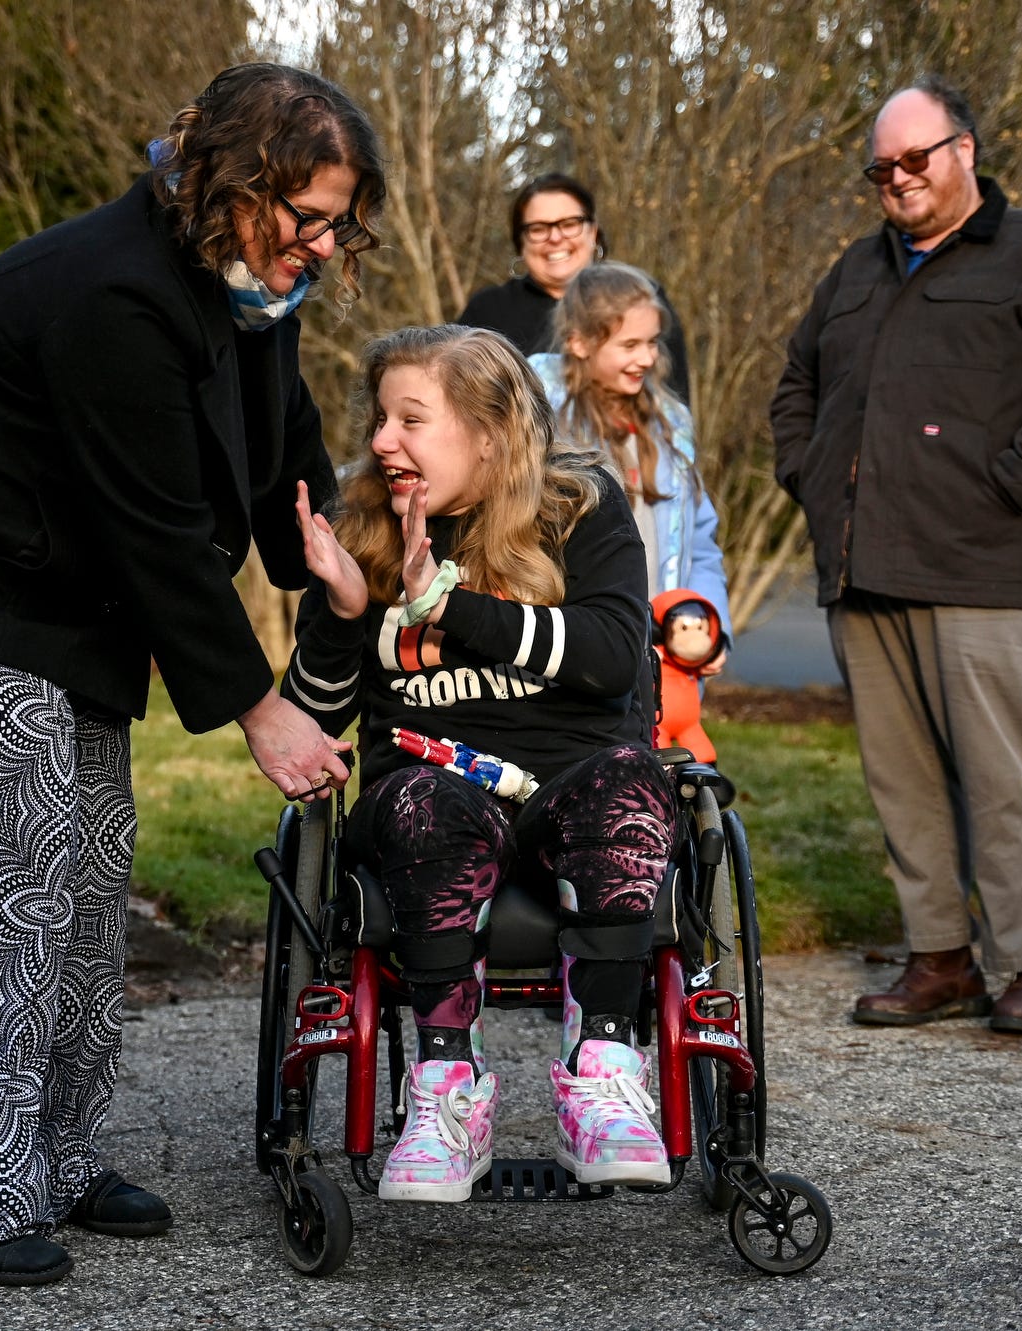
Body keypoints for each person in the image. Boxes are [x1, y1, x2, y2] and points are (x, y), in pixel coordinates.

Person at [0, 63, 386, 1285]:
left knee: (85, 858)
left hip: (42, 591)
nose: (322, 245)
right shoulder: (110, 291)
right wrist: (257, 707)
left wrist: (315, 554)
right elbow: (152, 528)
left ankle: (43, 1153)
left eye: (340, 219)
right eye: (304, 217)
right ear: (229, 186)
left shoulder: (248, 283)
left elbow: (281, 435)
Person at [769, 76, 1022, 1037]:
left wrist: (1017, 477)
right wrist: (809, 476)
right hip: (862, 562)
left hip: (983, 561)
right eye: (880, 167)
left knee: (1004, 773)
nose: (897, 179)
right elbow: (796, 382)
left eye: (915, 158)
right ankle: (939, 958)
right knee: (903, 781)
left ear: (965, 149)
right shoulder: (855, 270)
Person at [282, 324, 681, 1200]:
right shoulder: (364, 528)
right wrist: (349, 610)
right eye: (381, 418)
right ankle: (444, 1095)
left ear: (490, 432)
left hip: (563, 793)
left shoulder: (582, 508)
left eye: (411, 420)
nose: (384, 440)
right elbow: (307, 730)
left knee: (630, 782)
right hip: (427, 795)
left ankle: (604, 1074)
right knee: (427, 803)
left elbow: (616, 656)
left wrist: (448, 606)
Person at [531, 260, 731, 641]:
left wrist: (708, 621)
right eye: (630, 345)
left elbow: (701, 544)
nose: (648, 358)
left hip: (661, 650)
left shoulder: (669, 424)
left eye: (653, 342)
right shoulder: (538, 419)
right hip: (575, 643)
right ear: (579, 342)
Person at [457, 172, 692, 404]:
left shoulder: (642, 296)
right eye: (538, 228)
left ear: (593, 231)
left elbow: (673, 398)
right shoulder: (488, 310)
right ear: (521, 243)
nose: (556, 237)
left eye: (570, 224)